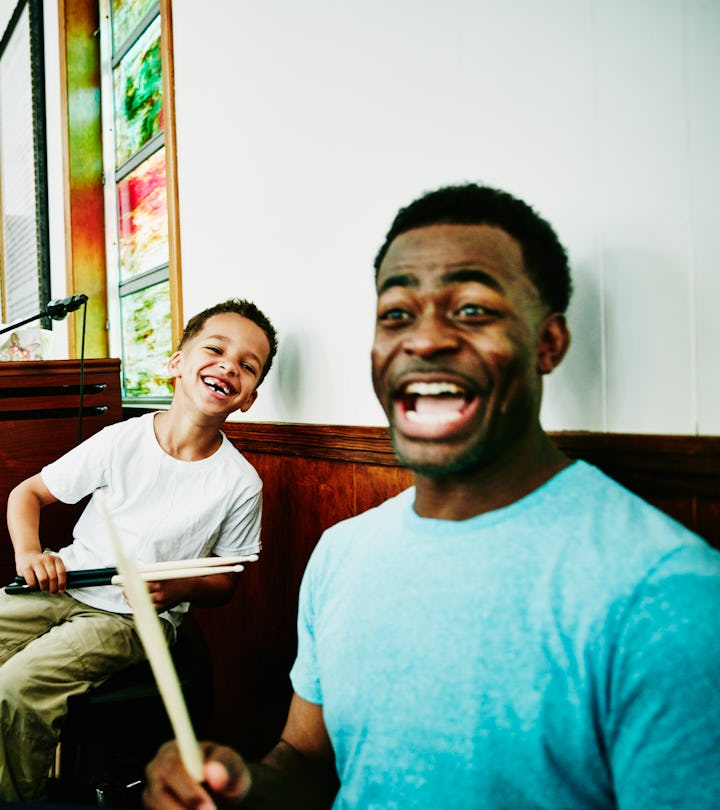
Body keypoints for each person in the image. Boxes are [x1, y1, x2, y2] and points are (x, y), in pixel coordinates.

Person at [143, 185, 720, 810]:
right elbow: (307, 763)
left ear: (548, 344)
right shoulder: (342, 553)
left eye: (472, 310)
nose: (423, 340)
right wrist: (244, 788)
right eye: (397, 314)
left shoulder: (666, 594)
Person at [0, 297, 278, 803]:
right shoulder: (120, 440)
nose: (228, 367)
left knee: (16, 686)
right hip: (65, 581)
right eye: (215, 349)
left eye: (246, 366)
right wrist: (29, 554)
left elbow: (226, 580)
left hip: (131, 618)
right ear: (176, 364)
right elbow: (28, 495)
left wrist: (178, 588)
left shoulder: (240, 483)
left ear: (249, 398)